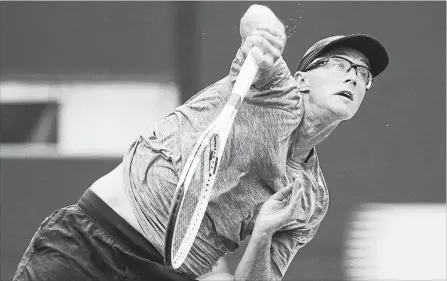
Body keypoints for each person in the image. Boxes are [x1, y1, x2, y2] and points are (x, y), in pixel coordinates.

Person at [12, 4, 389, 281]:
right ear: (304, 78)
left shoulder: (310, 198)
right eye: (341, 64)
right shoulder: (276, 91)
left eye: (364, 75)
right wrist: (265, 25)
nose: (355, 78)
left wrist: (263, 234)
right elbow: (254, 19)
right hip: (90, 241)